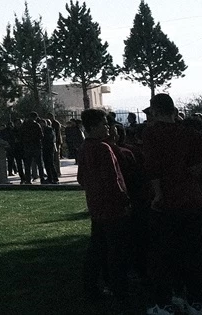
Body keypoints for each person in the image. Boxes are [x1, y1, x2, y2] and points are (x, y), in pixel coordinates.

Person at [143, 93, 202, 315]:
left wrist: (157, 194)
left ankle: (165, 302)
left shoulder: (152, 133)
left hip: (168, 200)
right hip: (194, 201)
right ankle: (195, 301)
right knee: (193, 252)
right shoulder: (189, 133)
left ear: (156, 111)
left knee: (163, 254)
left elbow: (153, 168)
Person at [76, 108, 130, 303]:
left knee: (97, 248)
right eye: (103, 124)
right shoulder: (103, 148)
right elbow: (113, 179)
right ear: (93, 127)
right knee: (116, 250)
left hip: (96, 205)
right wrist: (124, 199)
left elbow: (81, 178)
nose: (107, 127)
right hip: (112, 206)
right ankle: (119, 288)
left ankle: (91, 286)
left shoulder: (84, 148)